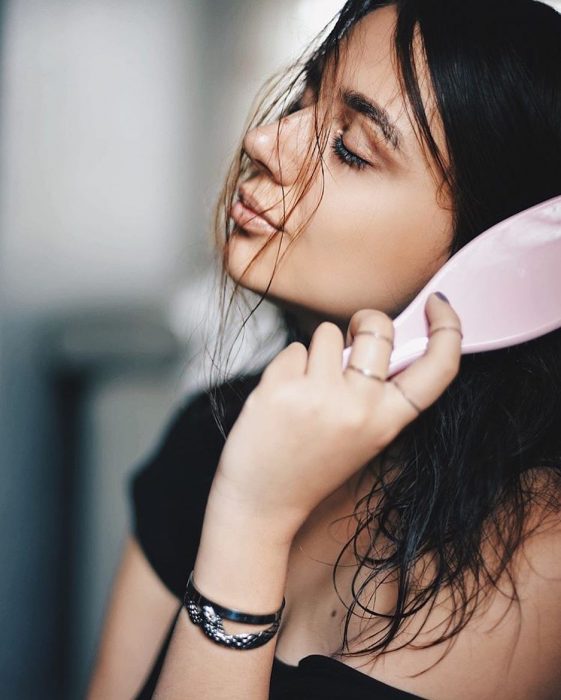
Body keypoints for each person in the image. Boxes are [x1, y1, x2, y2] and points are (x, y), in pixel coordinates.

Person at [87, 1, 561, 698]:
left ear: (495, 257)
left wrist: (251, 523)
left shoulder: (535, 563)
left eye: (350, 148)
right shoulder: (211, 431)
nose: (265, 139)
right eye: (304, 98)